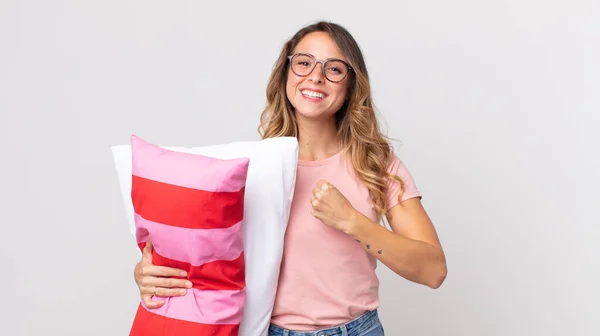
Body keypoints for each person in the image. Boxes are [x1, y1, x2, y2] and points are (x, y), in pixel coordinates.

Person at [133, 21, 447, 336]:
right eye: (304, 63)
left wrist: (351, 221)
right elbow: (205, 260)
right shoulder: (249, 168)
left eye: (334, 69)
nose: (316, 76)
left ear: (351, 84)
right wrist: (149, 273)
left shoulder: (376, 164)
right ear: (286, 74)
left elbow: (433, 270)